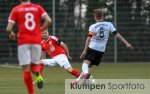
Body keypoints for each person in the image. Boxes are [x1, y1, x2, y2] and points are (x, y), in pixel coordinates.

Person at [72, 8, 134, 83]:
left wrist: (85, 51)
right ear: (102, 16)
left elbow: (88, 39)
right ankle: (77, 80)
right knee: (89, 66)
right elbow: (117, 35)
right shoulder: (109, 25)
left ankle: (86, 75)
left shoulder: (93, 26)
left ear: (95, 16)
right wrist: (126, 43)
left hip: (92, 48)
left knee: (85, 64)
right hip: (101, 50)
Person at [6, 0, 52, 94]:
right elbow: (49, 20)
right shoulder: (37, 7)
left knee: (26, 69)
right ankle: (38, 74)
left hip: (23, 41)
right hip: (36, 40)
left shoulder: (16, 9)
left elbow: (8, 28)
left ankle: (31, 93)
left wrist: (11, 33)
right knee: (35, 64)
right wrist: (41, 29)